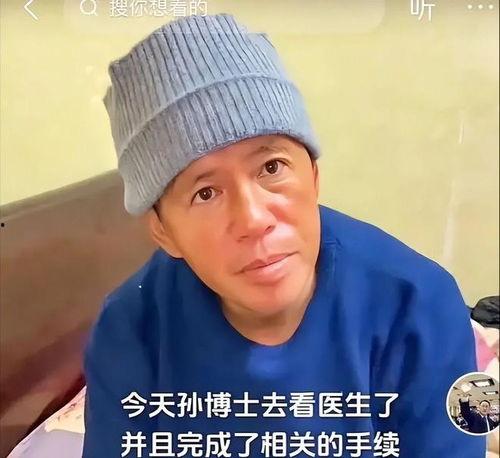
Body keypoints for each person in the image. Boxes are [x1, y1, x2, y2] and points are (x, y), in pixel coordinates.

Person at [83, 13, 486, 457]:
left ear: (313, 177)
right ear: (164, 233)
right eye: (206, 192)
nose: (253, 219)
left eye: (271, 168)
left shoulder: (419, 306)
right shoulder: (131, 331)